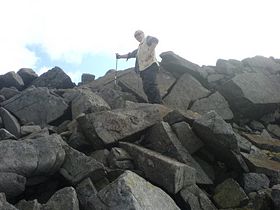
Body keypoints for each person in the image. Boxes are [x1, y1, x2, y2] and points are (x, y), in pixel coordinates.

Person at [116, 30, 162, 104]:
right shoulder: (139, 49)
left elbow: (155, 40)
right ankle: (152, 103)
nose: (138, 36)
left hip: (151, 65)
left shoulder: (147, 39)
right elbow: (130, 55)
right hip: (143, 70)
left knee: (151, 85)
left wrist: (150, 51)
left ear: (143, 34)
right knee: (146, 87)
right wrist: (119, 56)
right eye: (136, 36)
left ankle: (158, 103)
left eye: (139, 34)